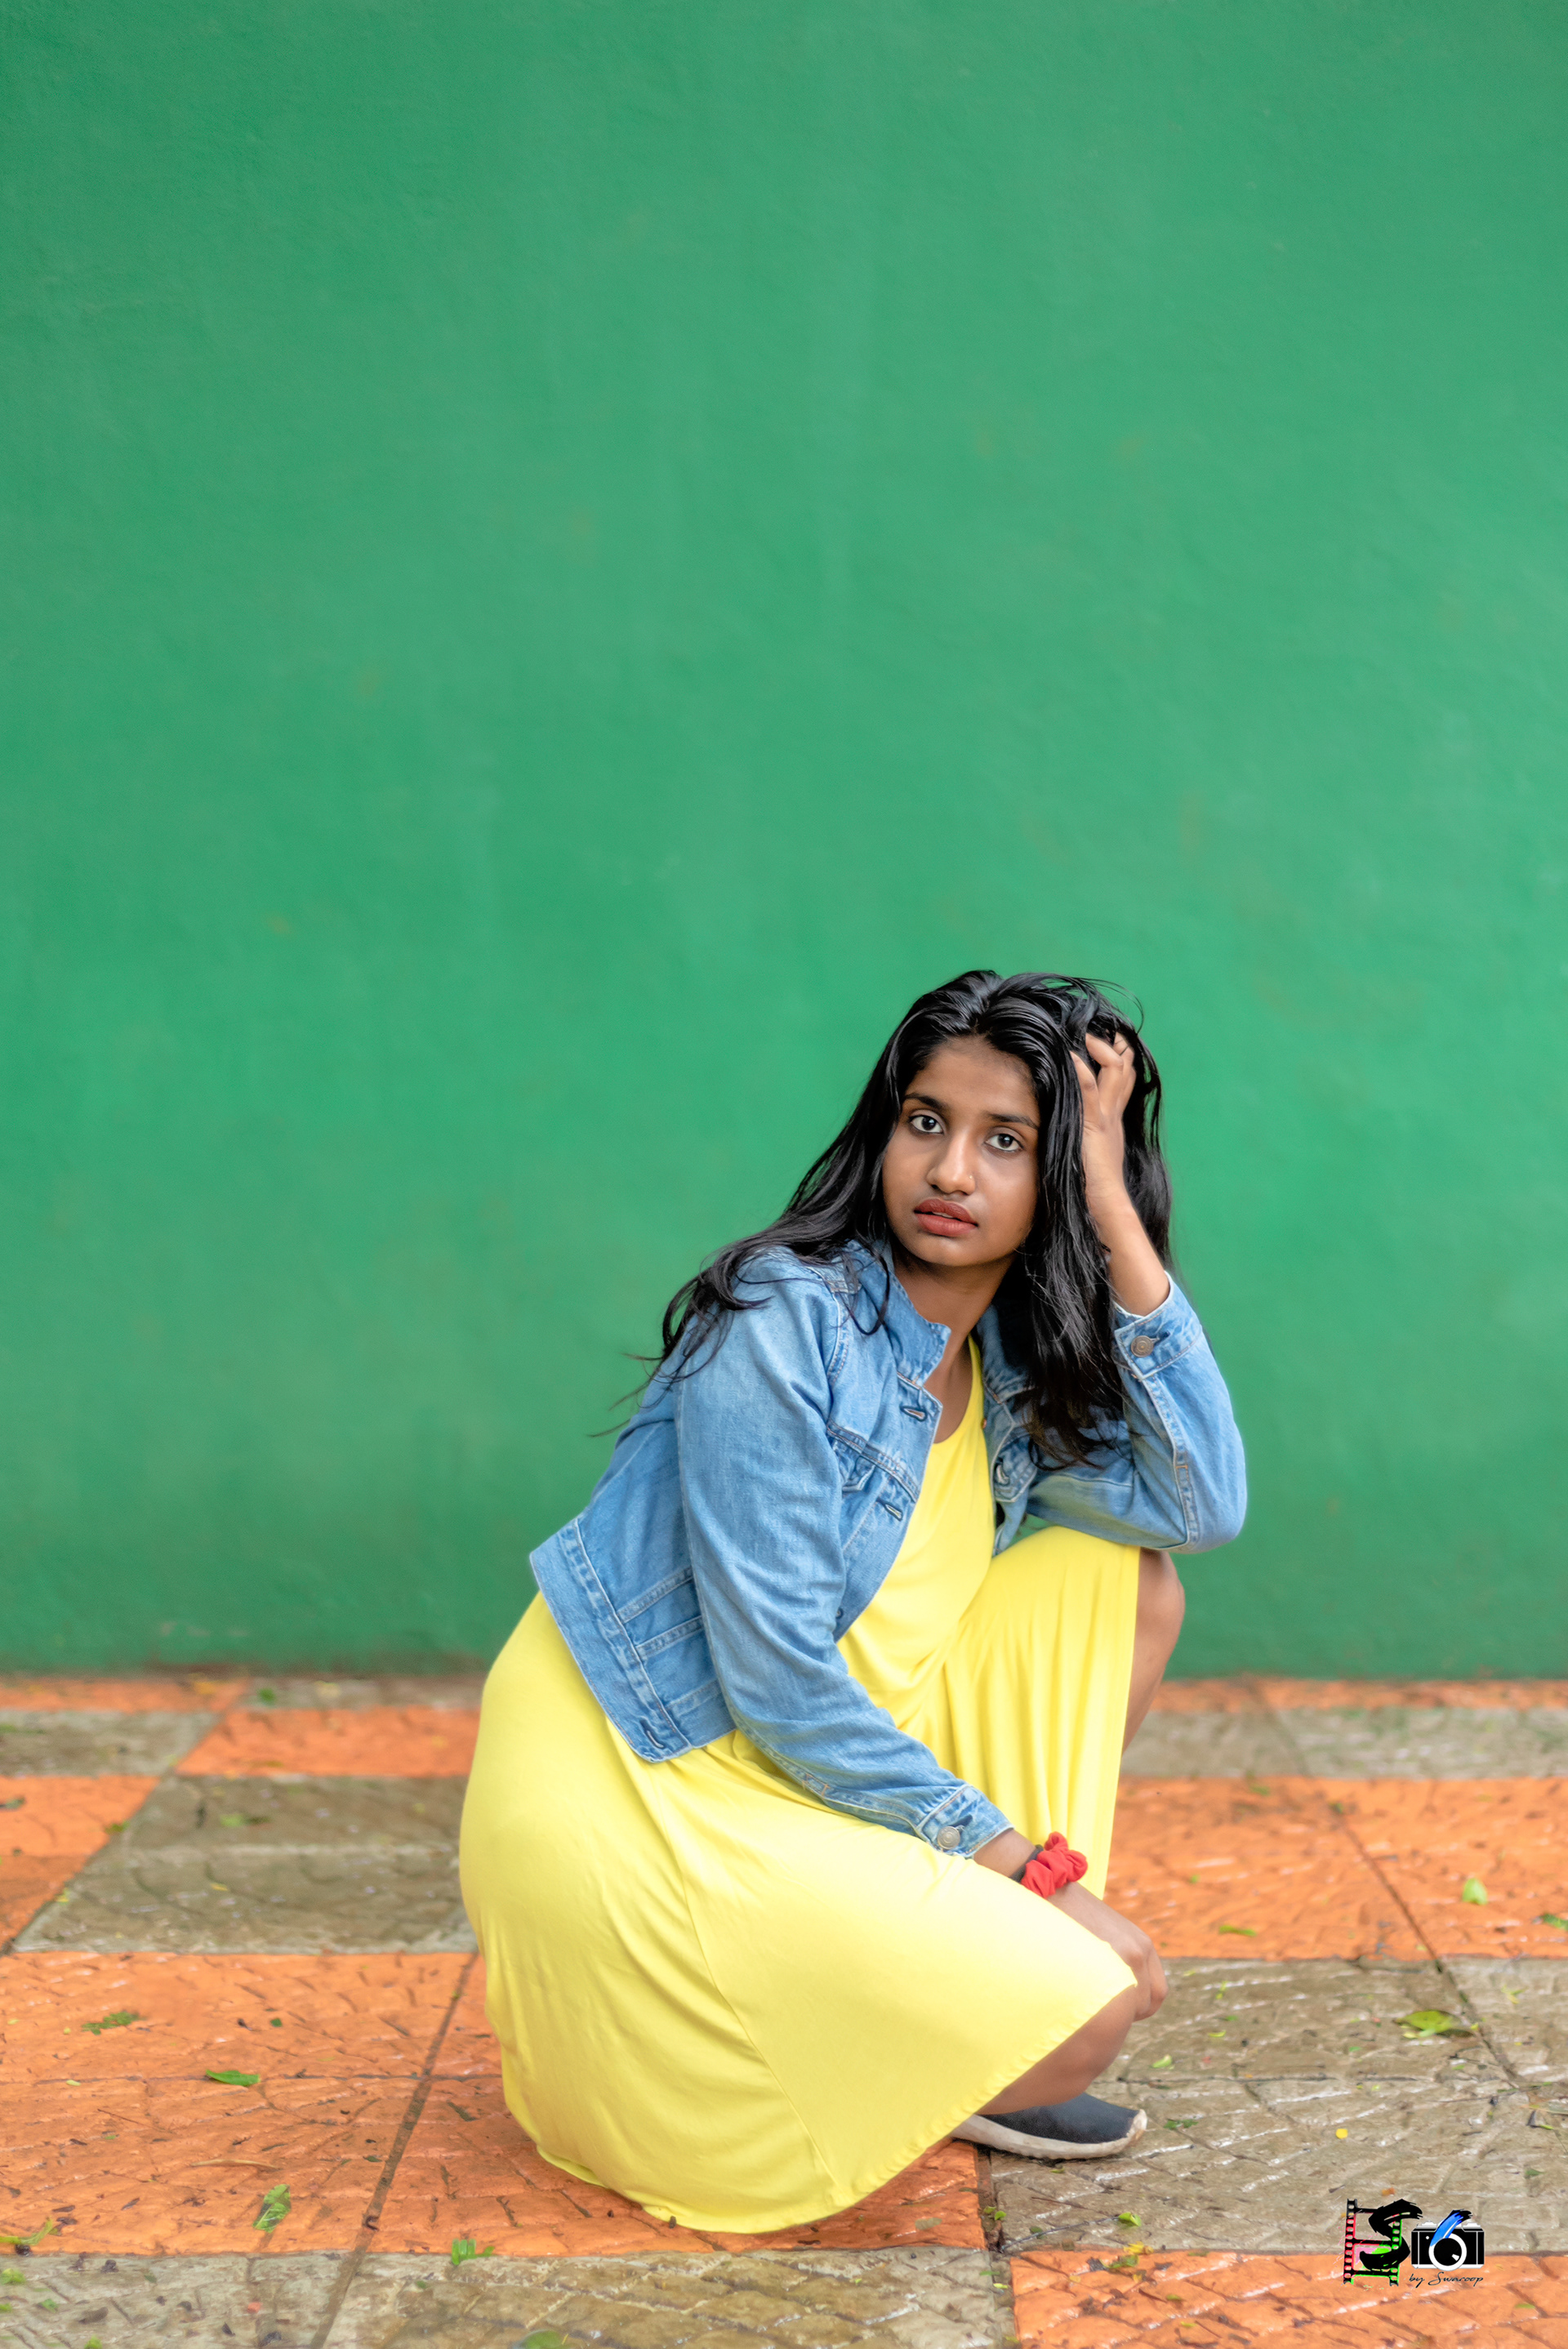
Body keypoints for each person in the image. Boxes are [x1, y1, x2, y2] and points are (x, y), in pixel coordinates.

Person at [460, 969, 1246, 2233]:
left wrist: (1111, 1206)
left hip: (804, 1760)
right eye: (927, 1121)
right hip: (650, 1770)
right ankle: (898, 2023)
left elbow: (1200, 1505)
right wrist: (1037, 1877)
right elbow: (777, 1684)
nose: (951, 1171)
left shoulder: (1005, 1365)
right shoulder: (784, 1320)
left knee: (1132, 1583)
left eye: (1009, 1142)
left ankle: (929, 2019)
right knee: (1087, 2006)